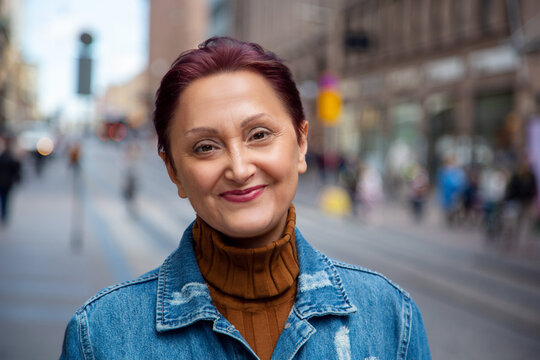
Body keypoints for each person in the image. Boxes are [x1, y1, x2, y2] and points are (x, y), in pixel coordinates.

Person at [60, 37, 430, 359]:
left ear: (301, 143)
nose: (239, 169)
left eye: (259, 135)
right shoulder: (100, 337)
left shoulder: (391, 317)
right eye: (205, 147)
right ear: (173, 170)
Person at [0, 136, 22, 226]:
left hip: (5, 182)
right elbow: (16, 169)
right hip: (7, 182)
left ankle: (4, 214)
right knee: (5, 199)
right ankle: (4, 214)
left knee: (4, 199)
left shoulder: (6, 156)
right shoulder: (10, 156)